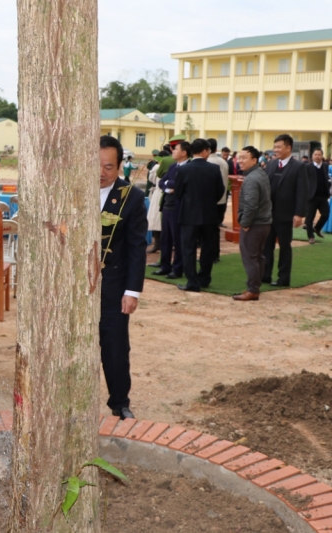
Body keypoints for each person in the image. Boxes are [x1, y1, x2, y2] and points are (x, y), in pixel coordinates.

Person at [98, 135, 147, 419]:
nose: (101, 173)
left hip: (114, 285)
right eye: (96, 165)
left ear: (119, 167)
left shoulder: (132, 197)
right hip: (73, 289)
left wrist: (132, 291)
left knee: (115, 346)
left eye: (108, 167)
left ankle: (119, 402)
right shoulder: (70, 191)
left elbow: (136, 248)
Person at [174, 138, 225, 292]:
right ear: (204, 151)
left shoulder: (183, 169)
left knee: (188, 248)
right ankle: (204, 278)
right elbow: (220, 192)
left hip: (189, 215)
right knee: (207, 248)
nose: (209, 153)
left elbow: (178, 193)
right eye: (208, 151)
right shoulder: (214, 169)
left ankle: (192, 281)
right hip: (209, 215)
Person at [262, 134, 309, 287]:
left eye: (279, 147)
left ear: (288, 148)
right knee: (266, 245)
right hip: (269, 214)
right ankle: (265, 274)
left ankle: (283, 278)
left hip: (286, 214)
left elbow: (302, 192)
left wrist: (299, 214)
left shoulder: (298, 166)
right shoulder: (271, 164)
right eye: (274, 147)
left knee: (284, 246)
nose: (276, 150)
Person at [233, 146, 272, 301]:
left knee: (251, 257)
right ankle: (254, 287)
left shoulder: (252, 178)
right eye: (239, 157)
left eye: (244, 158)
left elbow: (251, 205)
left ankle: (253, 290)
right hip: (263, 223)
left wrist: (245, 223)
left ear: (254, 160)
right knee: (258, 257)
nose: (240, 161)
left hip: (255, 224)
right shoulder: (260, 174)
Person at [152, 140, 191, 279]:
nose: (173, 151)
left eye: (176, 149)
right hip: (167, 205)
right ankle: (165, 266)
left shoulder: (189, 167)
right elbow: (162, 181)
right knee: (165, 238)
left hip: (179, 208)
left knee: (177, 239)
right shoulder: (173, 166)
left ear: (184, 152)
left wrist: (171, 184)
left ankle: (178, 268)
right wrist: (169, 186)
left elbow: (183, 184)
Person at [207, 138, 229, 258]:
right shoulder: (223, 162)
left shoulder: (208, 162)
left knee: (208, 230)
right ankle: (216, 253)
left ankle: (211, 254)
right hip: (222, 199)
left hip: (211, 201)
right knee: (215, 228)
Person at [305, 148, 330, 244]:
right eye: (315, 154)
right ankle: (310, 236)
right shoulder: (307, 166)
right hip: (311, 196)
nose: (317, 156)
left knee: (326, 214)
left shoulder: (325, 166)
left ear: (322, 156)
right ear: (312, 156)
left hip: (323, 195)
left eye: (319, 155)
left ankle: (317, 228)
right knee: (310, 217)